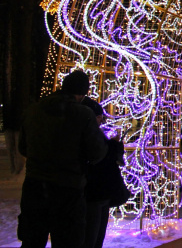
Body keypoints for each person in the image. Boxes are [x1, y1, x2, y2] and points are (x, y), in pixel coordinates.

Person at [18, 70, 108, 248]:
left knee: (32, 242)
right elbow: (97, 153)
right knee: (67, 242)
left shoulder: (34, 110)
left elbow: (23, 148)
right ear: (82, 94)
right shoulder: (83, 114)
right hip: (68, 191)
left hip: (34, 188)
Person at [80, 99, 125, 248]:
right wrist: (114, 146)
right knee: (90, 237)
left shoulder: (97, 132)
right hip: (94, 193)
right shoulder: (86, 133)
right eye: (98, 116)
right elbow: (99, 158)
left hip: (102, 193)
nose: (101, 120)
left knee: (97, 235)